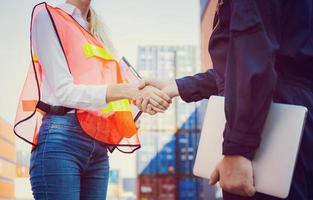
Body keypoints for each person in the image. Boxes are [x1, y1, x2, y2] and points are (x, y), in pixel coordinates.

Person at [139, 1, 313, 199]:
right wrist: (177, 86)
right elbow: (251, 66)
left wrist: (238, 149)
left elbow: (253, 61)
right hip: (297, 117)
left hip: (268, 124)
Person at [15, 0, 171, 199]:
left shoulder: (96, 33)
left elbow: (110, 93)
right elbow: (64, 92)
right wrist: (130, 91)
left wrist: (138, 105)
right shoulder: (48, 17)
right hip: (62, 141)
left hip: (98, 147)